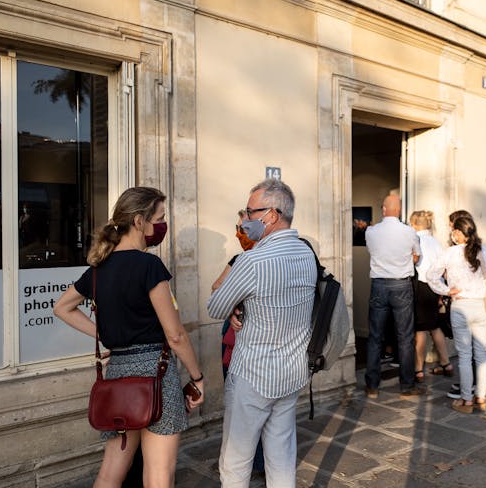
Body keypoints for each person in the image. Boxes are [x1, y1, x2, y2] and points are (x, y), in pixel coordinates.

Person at [53, 186, 204, 487]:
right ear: (139, 221)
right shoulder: (149, 265)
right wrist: (197, 378)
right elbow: (175, 335)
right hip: (156, 374)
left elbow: (62, 307)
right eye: (159, 218)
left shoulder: (98, 269)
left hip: (118, 375)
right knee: (159, 473)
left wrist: (104, 333)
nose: (162, 226)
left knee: (111, 472)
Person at [206, 178, 316, 488]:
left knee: (235, 461)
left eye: (250, 212)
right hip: (293, 370)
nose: (245, 219)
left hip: (253, 375)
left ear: (272, 215)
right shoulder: (306, 253)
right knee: (281, 454)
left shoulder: (252, 260)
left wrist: (233, 305)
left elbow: (215, 306)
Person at [427, 215, 486, 413]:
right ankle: (481, 397)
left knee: (465, 355)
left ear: (459, 233)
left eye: (454, 231)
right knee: (481, 354)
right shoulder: (484, 250)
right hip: (481, 306)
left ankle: (467, 400)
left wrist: (446, 290)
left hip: (461, 306)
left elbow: (431, 275)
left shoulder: (450, 253)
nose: (452, 234)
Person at [210, 209, 264, 476]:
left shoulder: (256, 259)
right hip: (236, 332)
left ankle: (251, 463)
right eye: (238, 228)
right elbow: (215, 287)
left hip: (252, 336)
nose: (239, 233)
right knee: (242, 400)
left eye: (243, 228)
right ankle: (254, 462)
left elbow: (218, 289)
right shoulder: (240, 258)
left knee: (250, 401)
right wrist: (232, 306)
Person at [363, 194, 424, 399]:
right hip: (401, 285)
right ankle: (407, 386)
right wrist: (404, 260)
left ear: (383, 209)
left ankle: (372, 386)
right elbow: (416, 257)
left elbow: (373, 252)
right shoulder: (409, 232)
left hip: (379, 285)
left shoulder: (371, 232)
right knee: (405, 337)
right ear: (399, 210)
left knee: (375, 336)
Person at [408, 210, 452, 382]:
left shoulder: (415, 240)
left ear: (414, 224)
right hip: (435, 287)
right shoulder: (436, 242)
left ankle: (418, 369)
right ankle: (446, 364)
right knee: (434, 326)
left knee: (420, 330)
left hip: (421, 286)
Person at [444, 209, 473, 401]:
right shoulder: (476, 247)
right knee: (474, 350)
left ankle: (467, 390)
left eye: (450, 225)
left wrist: (446, 290)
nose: (448, 229)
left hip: (463, 303)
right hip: (474, 303)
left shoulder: (456, 251)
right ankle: (472, 387)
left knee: (466, 351)